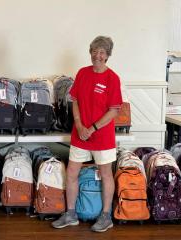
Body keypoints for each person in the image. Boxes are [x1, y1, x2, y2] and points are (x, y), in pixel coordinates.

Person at [52, 36, 122, 232]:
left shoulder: (112, 78)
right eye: (95, 51)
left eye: (102, 52)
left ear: (107, 56)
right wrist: (79, 125)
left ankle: (106, 216)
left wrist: (92, 128)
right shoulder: (82, 73)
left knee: (106, 174)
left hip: (102, 137)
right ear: (90, 52)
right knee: (72, 172)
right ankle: (71, 214)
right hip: (80, 134)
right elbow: (75, 101)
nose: (97, 55)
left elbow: (114, 110)